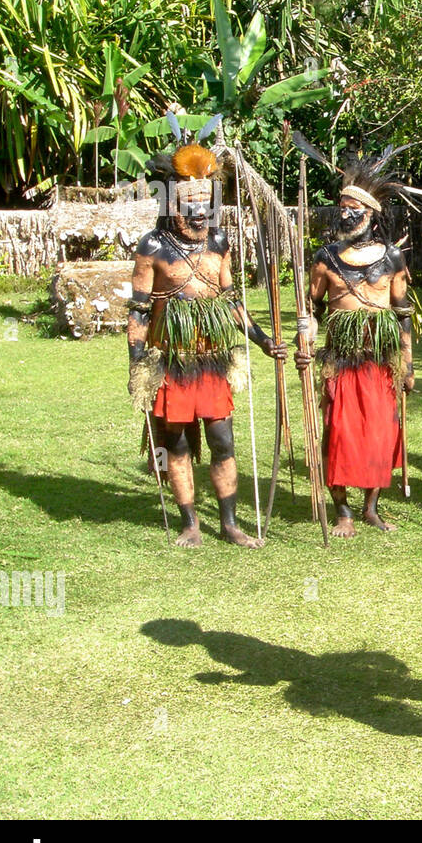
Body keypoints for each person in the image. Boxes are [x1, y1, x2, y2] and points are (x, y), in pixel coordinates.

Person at [127, 140, 286, 548]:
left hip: (213, 360)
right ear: (171, 205)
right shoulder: (153, 247)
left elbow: (232, 302)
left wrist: (264, 340)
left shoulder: (219, 243)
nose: (198, 210)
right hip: (174, 362)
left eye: (205, 201)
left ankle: (230, 523)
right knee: (177, 443)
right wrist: (137, 364)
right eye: (189, 202)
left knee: (223, 441)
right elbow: (140, 310)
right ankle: (191, 523)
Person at [294, 156, 415, 537]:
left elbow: (402, 313)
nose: (346, 216)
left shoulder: (392, 257)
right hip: (341, 360)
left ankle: (371, 508)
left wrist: (407, 364)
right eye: (343, 209)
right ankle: (343, 509)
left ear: (371, 215)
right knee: (341, 432)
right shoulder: (325, 258)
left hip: (381, 360)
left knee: (381, 431)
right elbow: (310, 309)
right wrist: (306, 341)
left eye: (354, 210)